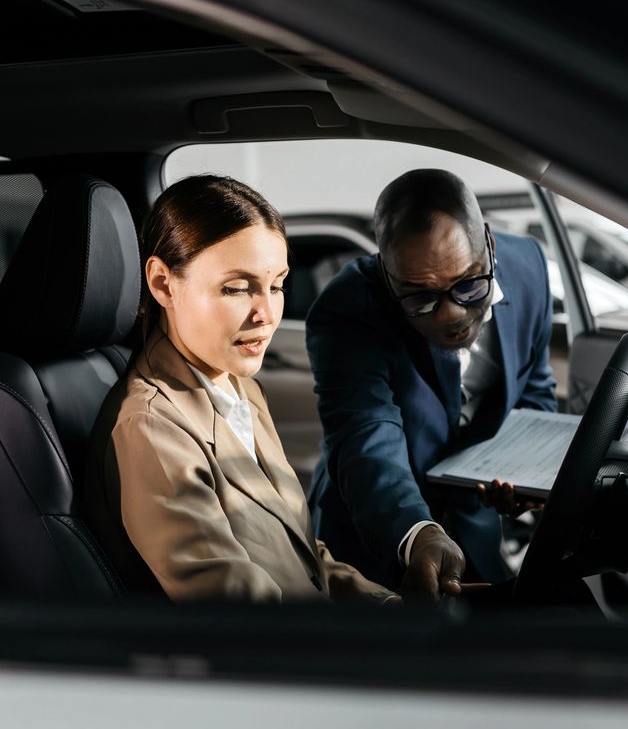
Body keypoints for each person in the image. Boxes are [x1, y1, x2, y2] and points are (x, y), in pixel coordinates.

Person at [85, 175, 395, 605]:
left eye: (277, 285)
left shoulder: (239, 388)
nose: (266, 314)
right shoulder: (152, 431)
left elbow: (303, 558)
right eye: (235, 288)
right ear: (161, 283)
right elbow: (247, 617)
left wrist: (391, 609)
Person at [306, 168, 557, 601]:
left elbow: (534, 386)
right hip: (375, 534)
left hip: (476, 524)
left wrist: (523, 472)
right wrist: (417, 535)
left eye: (468, 286)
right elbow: (367, 439)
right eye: (420, 296)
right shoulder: (348, 309)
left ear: (490, 247)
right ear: (386, 275)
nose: (450, 317)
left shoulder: (530, 267)